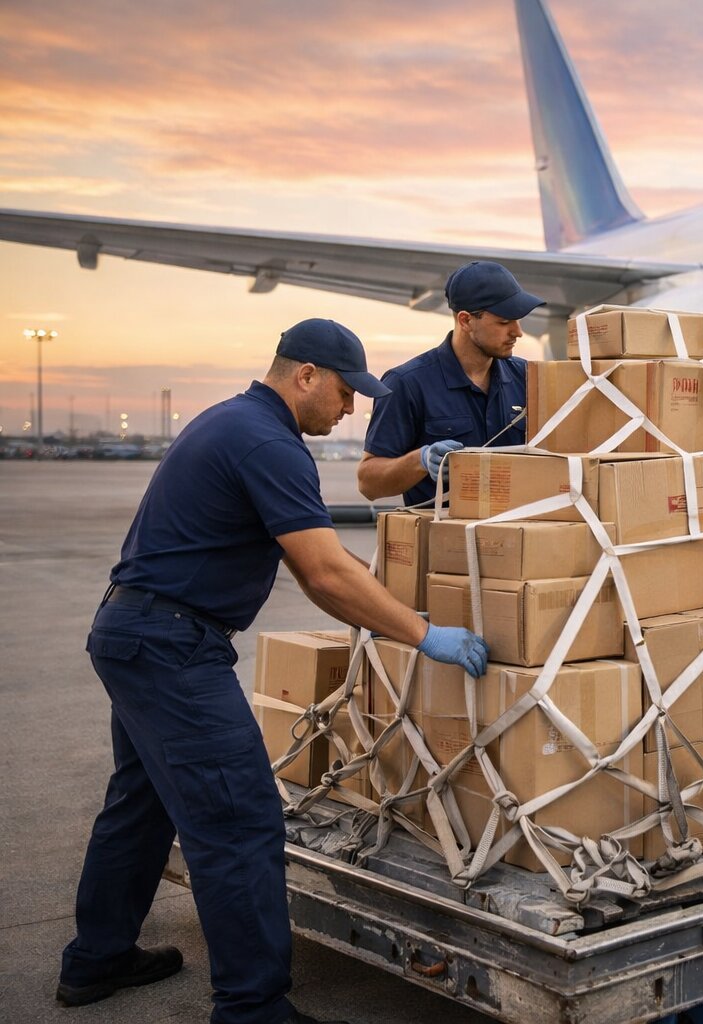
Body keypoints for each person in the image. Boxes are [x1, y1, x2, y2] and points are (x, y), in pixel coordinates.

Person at [59, 319, 489, 1024]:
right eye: (346, 393)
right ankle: (252, 1009)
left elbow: (323, 556)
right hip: (173, 647)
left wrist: (393, 600)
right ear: (306, 375)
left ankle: (97, 959)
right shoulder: (269, 444)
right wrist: (422, 635)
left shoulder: (235, 423)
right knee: (239, 821)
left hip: (135, 633)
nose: (351, 409)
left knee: (141, 801)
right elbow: (321, 576)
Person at [357, 260, 545, 506]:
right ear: (466, 321)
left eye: (518, 320)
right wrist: (420, 460)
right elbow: (368, 484)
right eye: (504, 322)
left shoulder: (528, 377)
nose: (518, 332)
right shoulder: (407, 384)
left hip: (520, 536)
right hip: (446, 540)